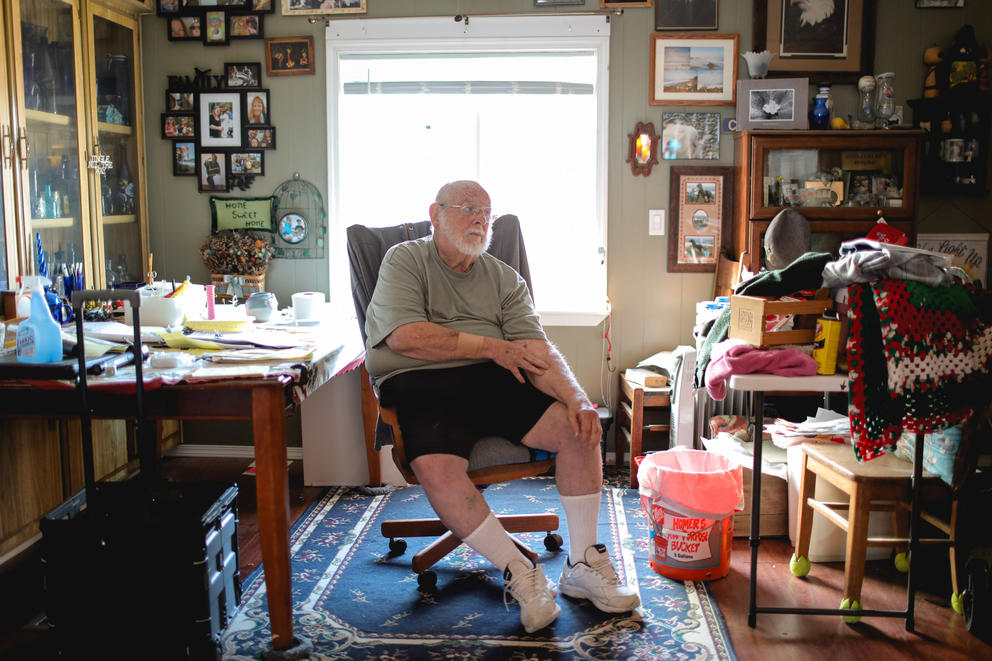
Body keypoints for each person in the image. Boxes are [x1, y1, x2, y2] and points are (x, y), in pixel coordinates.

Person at [364, 180, 640, 633]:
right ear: (435, 215)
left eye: (487, 213)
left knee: (578, 428)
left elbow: (537, 350)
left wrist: (577, 400)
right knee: (436, 465)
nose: (480, 219)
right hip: (420, 383)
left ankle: (584, 565)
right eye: (468, 208)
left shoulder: (503, 277)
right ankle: (520, 570)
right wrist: (494, 346)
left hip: (493, 379)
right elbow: (406, 337)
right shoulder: (406, 259)